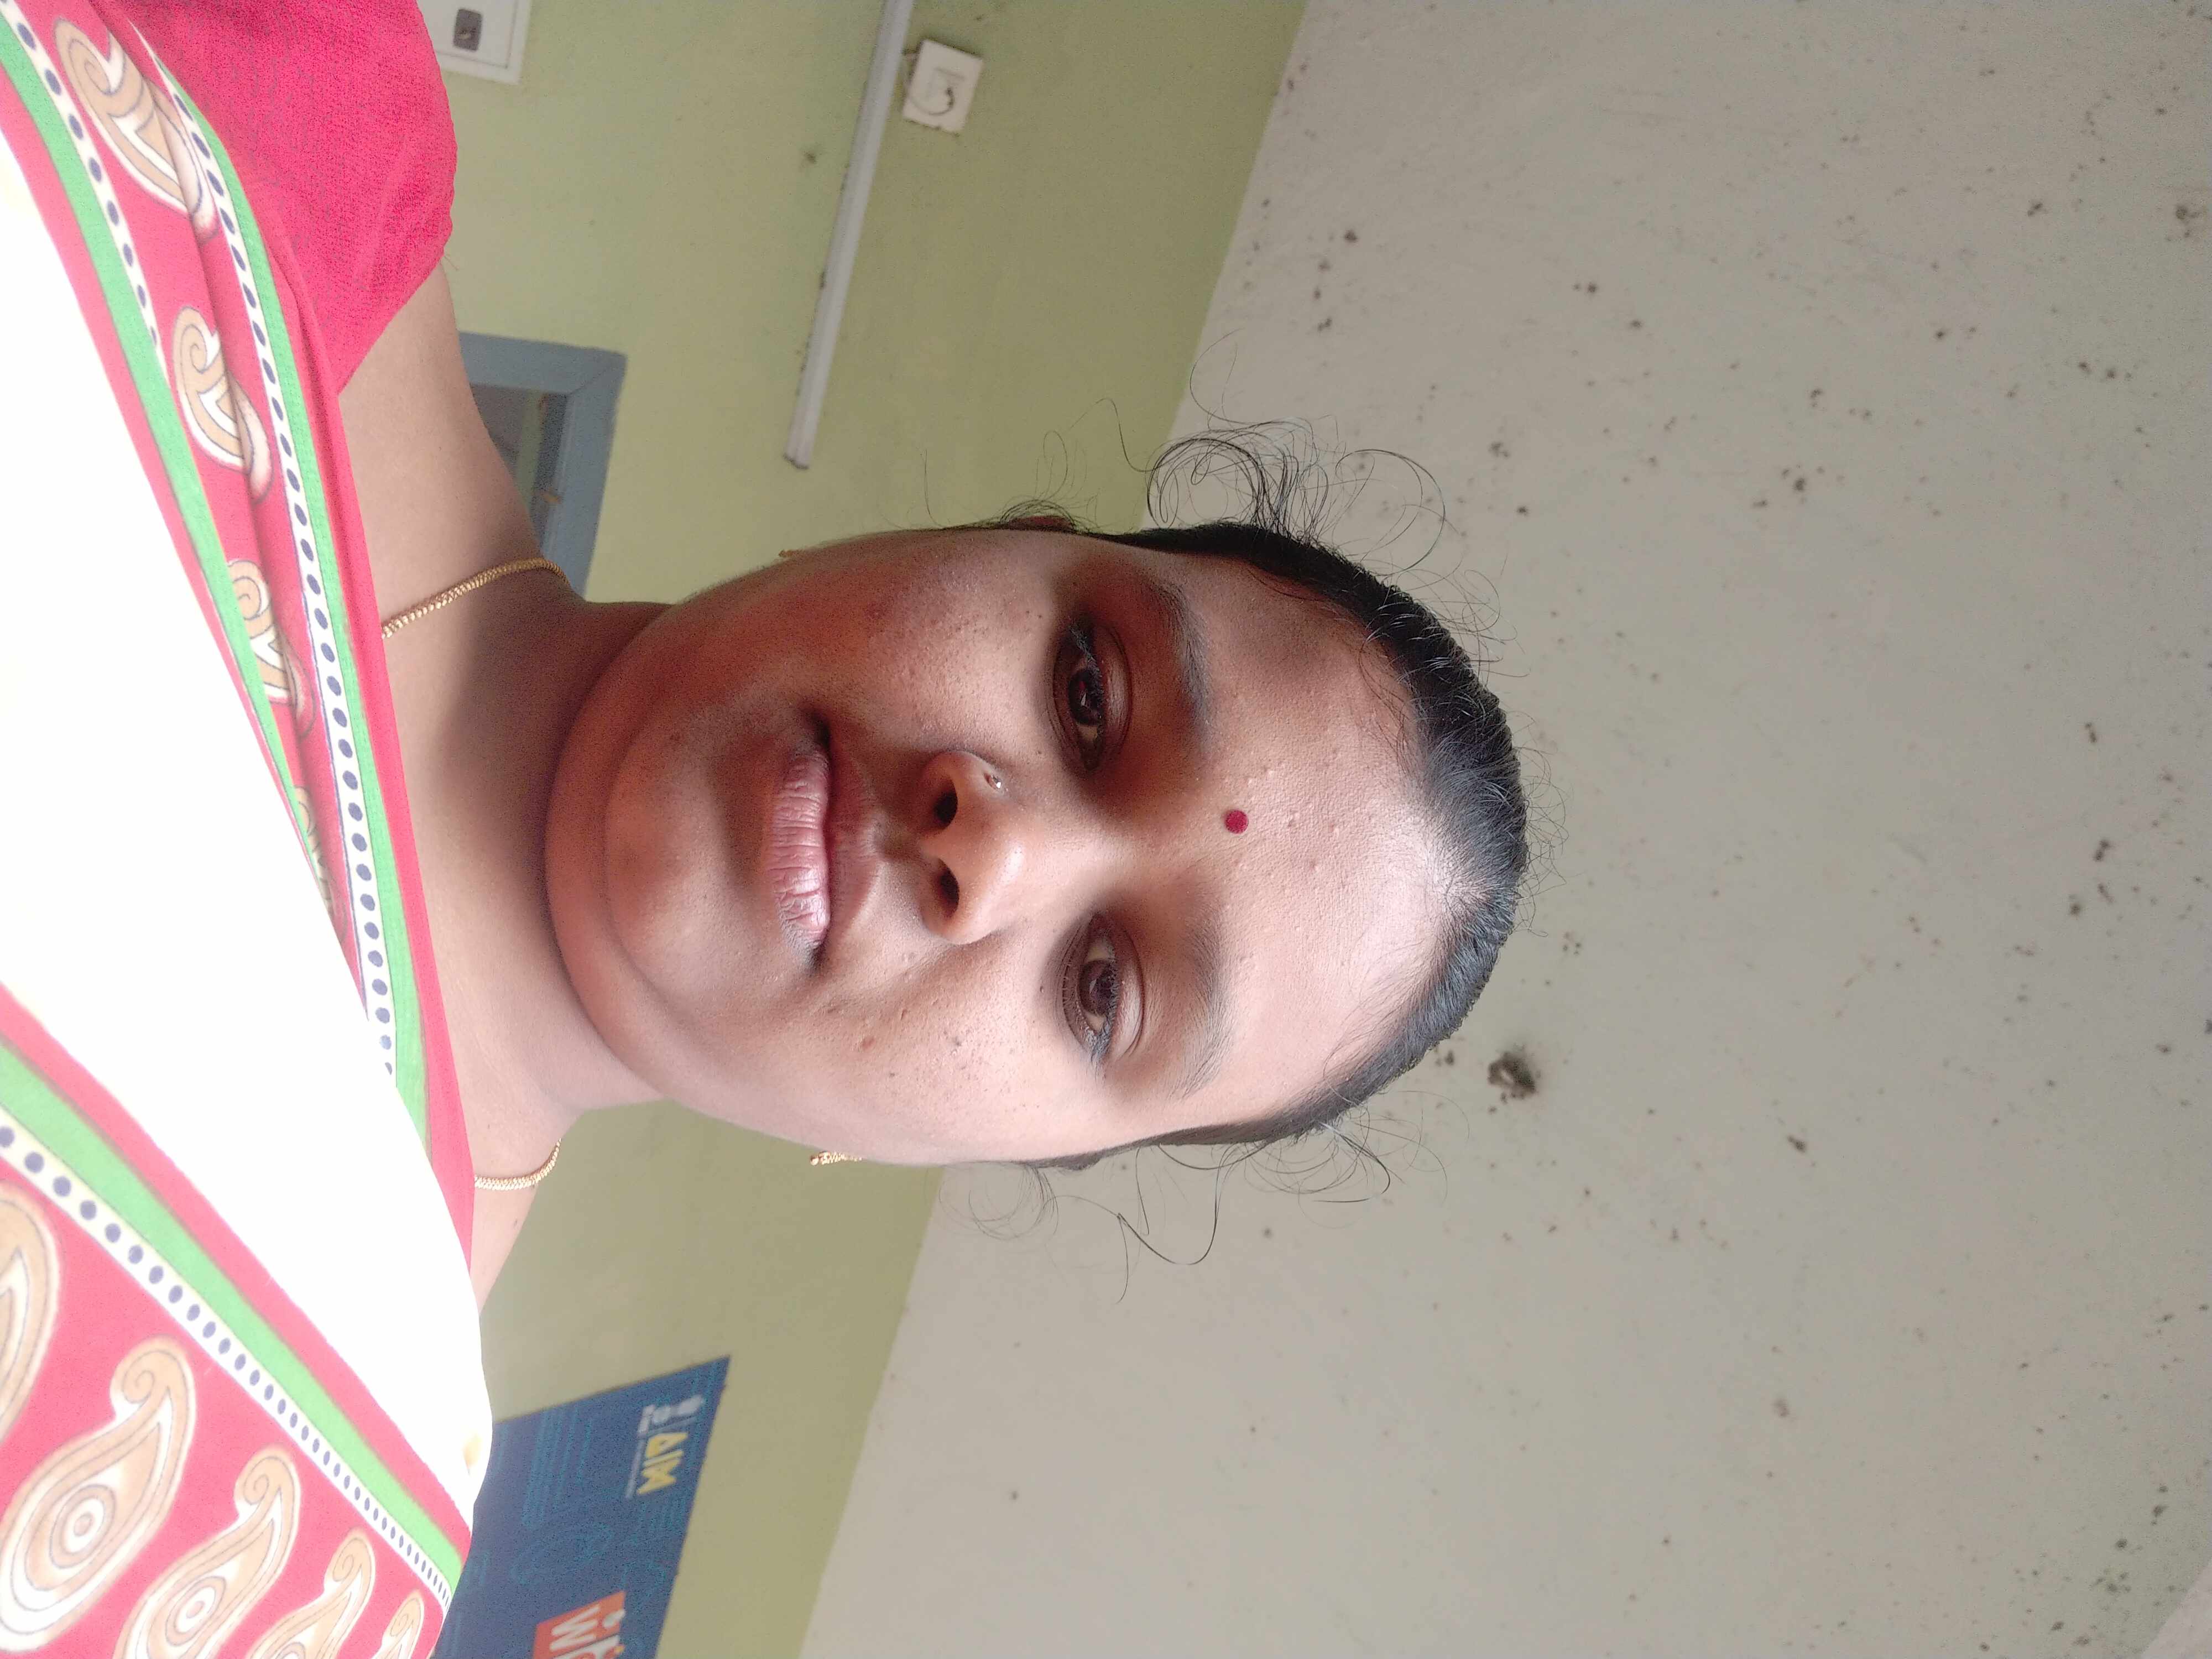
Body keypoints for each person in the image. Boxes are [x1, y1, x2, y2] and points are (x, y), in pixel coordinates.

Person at [0, 2, 1525, 1652]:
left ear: (996, 1152)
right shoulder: (301, 80)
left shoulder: (276, 1558)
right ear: (996, 536)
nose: (992, 852)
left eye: (1102, 992)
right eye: (1090, 688)